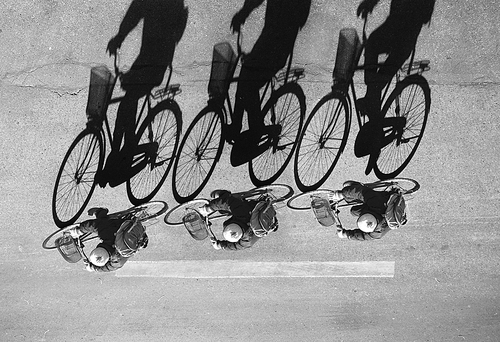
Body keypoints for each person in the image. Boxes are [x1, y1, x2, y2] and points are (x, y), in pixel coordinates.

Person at [101, 0, 188, 187]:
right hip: (149, 59)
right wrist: (120, 37)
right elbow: (136, 11)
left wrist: (120, 36)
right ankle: (119, 154)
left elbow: (136, 12)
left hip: (156, 63)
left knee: (128, 100)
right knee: (126, 103)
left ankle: (125, 152)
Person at [226, 0, 311, 144]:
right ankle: (240, 127)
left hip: (275, 46)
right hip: (272, 44)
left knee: (248, 83)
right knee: (246, 78)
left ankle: (252, 128)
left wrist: (243, 14)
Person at [356, 0, 435, 120]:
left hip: (404, 31)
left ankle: (372, 105)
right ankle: (372, 106)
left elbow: (423, 15)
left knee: (374, 46)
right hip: (398, 27)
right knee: (373, 47)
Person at [68, 207, 149, 272]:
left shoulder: (118, 261)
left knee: (104, 225)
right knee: (102, 223)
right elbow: (93, 225)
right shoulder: (107, 234)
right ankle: (100, 212)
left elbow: (107, 268)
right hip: (122, 226)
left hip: (137, 238)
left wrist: (94, 268)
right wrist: (78, 231)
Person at [197, 190, 278, 250]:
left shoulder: (247, 241)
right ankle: (224, 193)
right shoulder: (242, 213)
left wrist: (221, 245)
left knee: (226, 208)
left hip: (266, 220)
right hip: (252, 209)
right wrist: (208, 208)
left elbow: (236, 246)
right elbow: (226, 202)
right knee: (226, 203)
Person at [324, 180, 405, 241]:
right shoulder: (376, 203)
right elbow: (361, 193)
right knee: (359, 194)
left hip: (379, 210)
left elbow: (363, 236)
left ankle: (354, 194)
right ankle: (357, 185)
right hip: (383, 201)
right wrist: (341, 194)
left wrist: (346, 234)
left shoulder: (377, 232)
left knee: (353, 211)